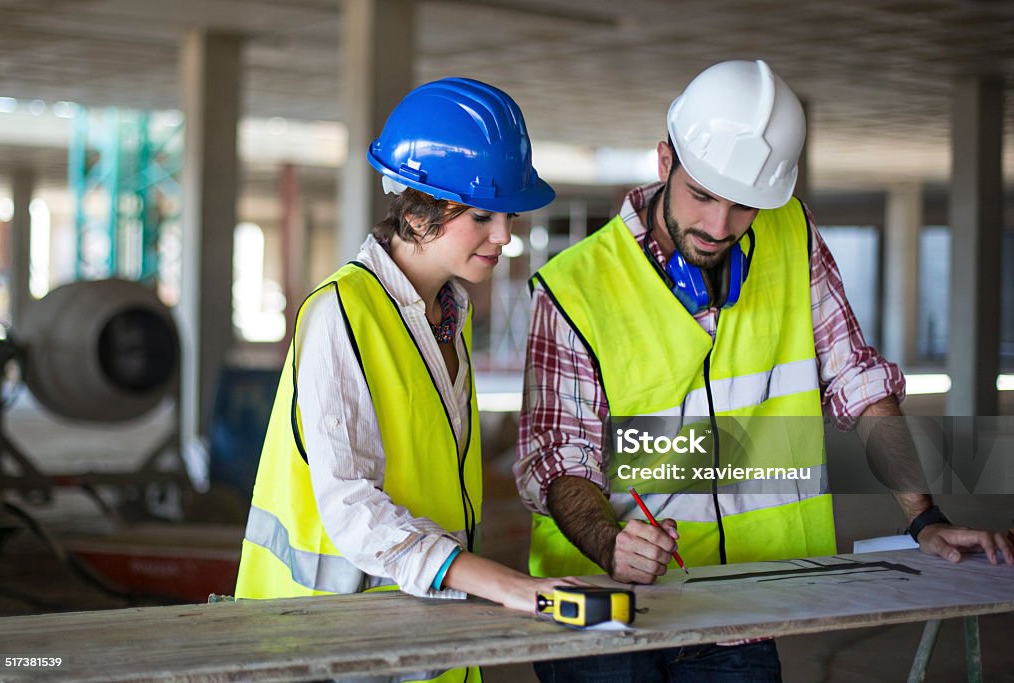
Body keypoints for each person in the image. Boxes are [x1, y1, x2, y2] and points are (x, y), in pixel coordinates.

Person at [515, 59, 1014, 682]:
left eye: (744, 206)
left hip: (742, 604)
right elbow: (558, 460)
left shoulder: (793, 237)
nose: (719, 228)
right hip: (600, 611)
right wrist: (611, 544)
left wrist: (924, 519)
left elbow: (857, 383)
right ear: (665, 162)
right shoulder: (573, 287)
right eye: (701, 196)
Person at [235, 77, 577, 683]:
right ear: (417, 210)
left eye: (507, 215)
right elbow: (352, 508)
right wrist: (505, 585)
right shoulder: (342, 314)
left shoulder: (447, 312)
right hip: (328, 646)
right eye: (482, 215)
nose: (504, 235)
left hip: (419, 639)